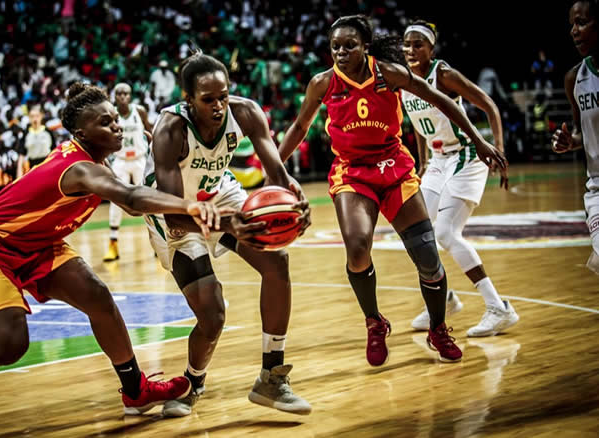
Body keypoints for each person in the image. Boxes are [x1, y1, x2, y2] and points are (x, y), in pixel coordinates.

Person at [0, 82, 232, 428]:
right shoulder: (80, 169)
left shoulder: (96, 162)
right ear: (81, 132)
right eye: (105, 123)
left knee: (98, 297)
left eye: (115, 119)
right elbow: (130, 199)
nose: (116, 126)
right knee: (12, 344)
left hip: (39, 244)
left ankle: (135, 391)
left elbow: (131, 203)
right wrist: (189, 205)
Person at [278, 15, 507, 366]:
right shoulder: (322, 84)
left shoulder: (389, 74)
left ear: (365, 46)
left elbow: (443, 101)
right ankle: (375, 322)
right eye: (335, 46)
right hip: (353, 173)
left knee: (428, 256)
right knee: (357, 249)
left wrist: (479, 140)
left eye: (349, 45)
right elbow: (298, 126)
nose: (341, 52)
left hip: (394, 169)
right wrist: (273, 172)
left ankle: (439, 328)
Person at [144, 52, 312, 417]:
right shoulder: (170, 130)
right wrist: (226, 225)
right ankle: (193, 381)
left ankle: (271, 377)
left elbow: (278, 176)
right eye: (208, 99)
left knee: (277, 260)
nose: (219, 105)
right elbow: (174, 214)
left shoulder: (247, 112)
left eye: (224, 95)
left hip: (219, 191)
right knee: (213, 314)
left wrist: (294, 203)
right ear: (187, 98)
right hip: (175, 210)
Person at [401, 20, 519, 337]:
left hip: (467, 156)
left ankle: (499, 308)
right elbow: (416, 122)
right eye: (406, 44)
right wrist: (423, 162)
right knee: (416, 232)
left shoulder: (444, 74)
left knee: (446, 233)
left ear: (431, 48)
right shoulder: (404, 80)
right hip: (438, 160)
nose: (410, 50)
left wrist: (499, 148)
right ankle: (444, 299)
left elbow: (489, 105)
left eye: (418, 44)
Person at [552, 0, 599, 275]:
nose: (574, 31)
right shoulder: (575, 78)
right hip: (597, 187)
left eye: (581, 22)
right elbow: (582, 131)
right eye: (572, 24)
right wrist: (571, 141)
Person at [104, 82, 154, 262]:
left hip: (140, 160)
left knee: (149, 199)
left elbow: (150, 132)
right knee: (115, 202)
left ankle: (158, 239)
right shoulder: (111, 115)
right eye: (119, 94)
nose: (123, 97)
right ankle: (113, 244)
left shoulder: (139, 111)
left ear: (130, 95)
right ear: (114, 96)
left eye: (126, 93)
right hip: (121, 161)